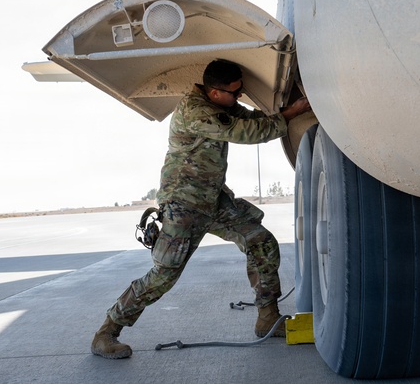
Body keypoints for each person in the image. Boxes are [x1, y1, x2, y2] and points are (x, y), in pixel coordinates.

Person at [91, 59, 312, 359]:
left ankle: (267, 318)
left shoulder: (224, 104)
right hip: (184, 205)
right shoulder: (195, 111)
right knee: (163, 275)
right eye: (235, 93)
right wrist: (293, 112)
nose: (239, 97)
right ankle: (106, 332)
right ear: (215, 92)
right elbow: (248, 132)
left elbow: (254, 120)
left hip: (214, 200)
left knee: (261, 242)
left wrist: (284, 112)